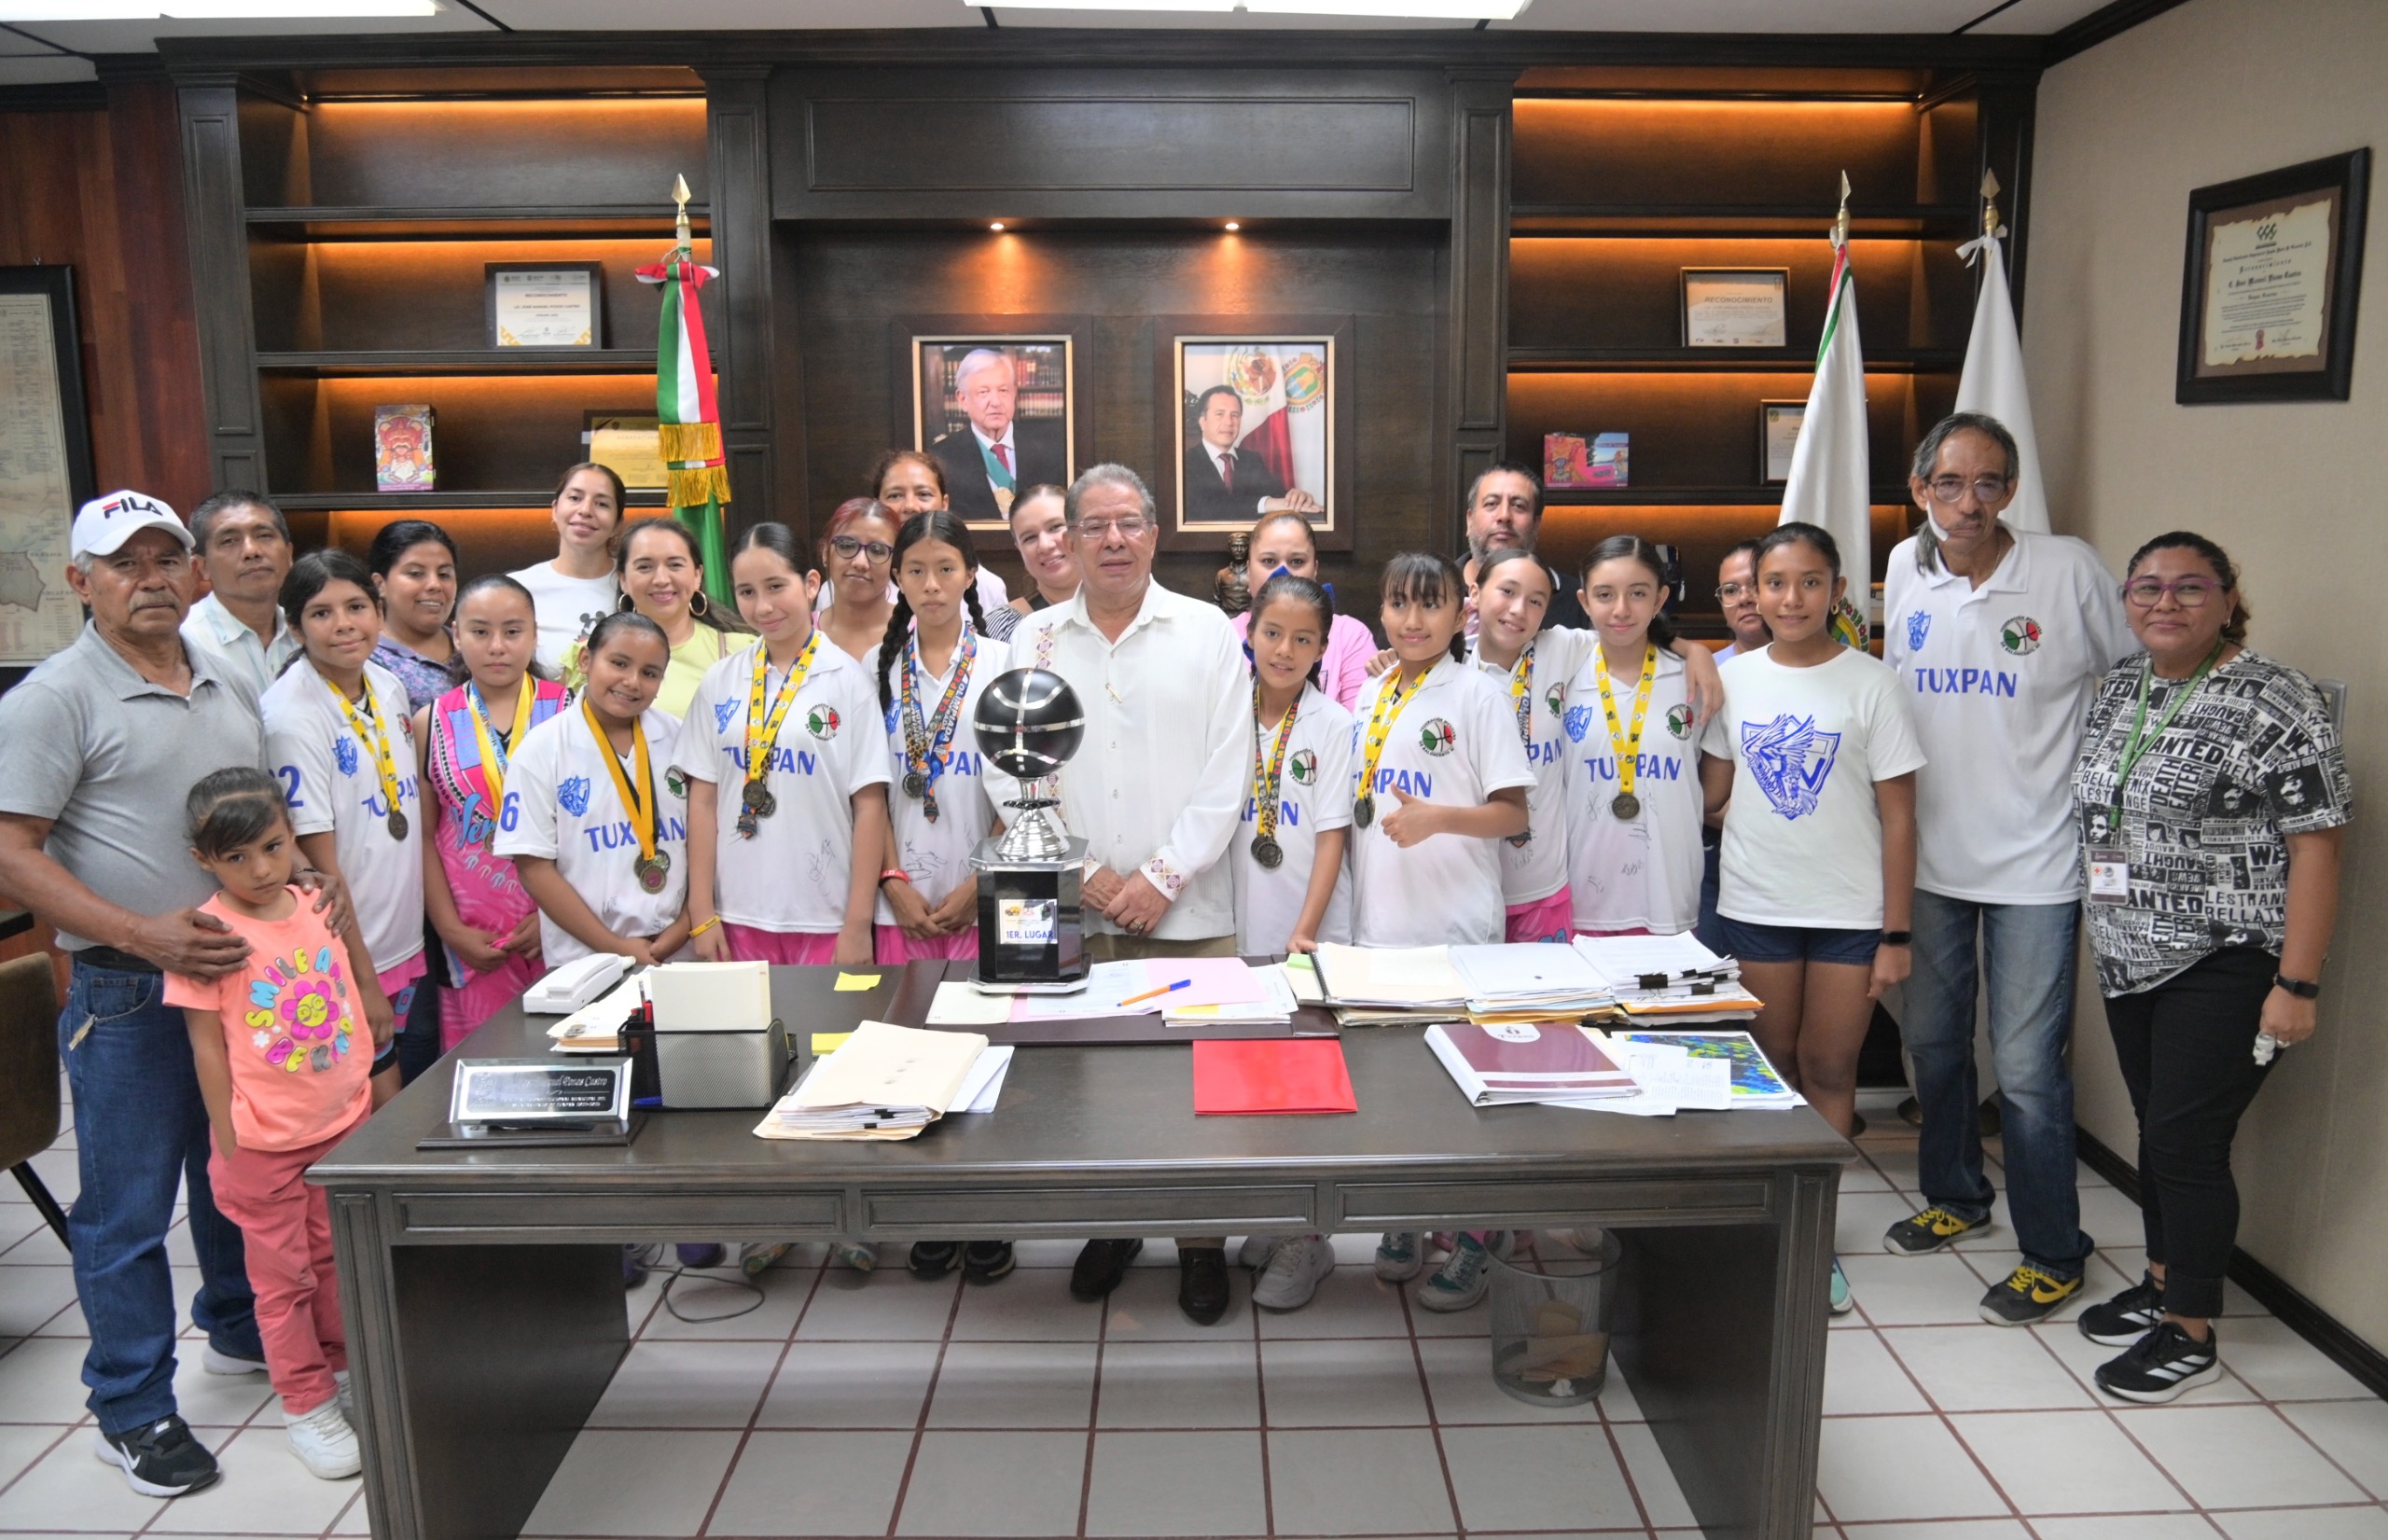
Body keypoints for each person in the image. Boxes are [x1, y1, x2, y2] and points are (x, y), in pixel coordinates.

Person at [0, 492, 298, 1496]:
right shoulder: (53, 696)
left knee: (234, 1164)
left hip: (236, 980)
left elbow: (249, 822)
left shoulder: (223, 679)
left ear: (196, 573)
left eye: (169, 558)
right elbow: (9, 850)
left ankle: (235, 1323)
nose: (153, 577)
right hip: (128, 988)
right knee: (126, 1209)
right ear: (82, 581)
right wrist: (134, 930)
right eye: (125, 563)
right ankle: (131, 1405)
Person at [2069, 533, 2348, 1402]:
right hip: (2129, 956)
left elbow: (2320, 848)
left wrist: (2295, 985)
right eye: (2147, 587)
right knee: (2158, 1129)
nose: (2166, 602)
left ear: (2229, 599)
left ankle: (2190, 1326)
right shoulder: (2123, 684)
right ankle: (2161, 1278)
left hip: (2228, 959)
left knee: (2188, 1142)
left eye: (2191, 588)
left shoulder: (2278, 698)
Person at [1877, 412, 2131, 1326]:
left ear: (2011, 492)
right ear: (1920, 492)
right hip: (1932, 861)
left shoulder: (2065, 570)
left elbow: (2138, 676)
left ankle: (2053, 1250)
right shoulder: (1905, 569)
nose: (1968, 502)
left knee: (2025, 1071)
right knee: (1936, 1047)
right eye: (1949, 484)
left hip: (2037, 865)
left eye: (1988, 483)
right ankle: (1954, 1192)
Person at [1010, 465, 1248, 1325]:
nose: (1113, 540)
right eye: (1095, 525)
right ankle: (1110, 1225)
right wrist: (1088, 874)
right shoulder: (1031, 641)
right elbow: (1012, 767)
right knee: (1090, 1083)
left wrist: (1160, 878)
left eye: (1130, 523)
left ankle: (1199, 1245)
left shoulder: (1207, 631)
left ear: (1154, 533)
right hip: (1077, 909)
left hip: (1189, 912)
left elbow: (1231, 769)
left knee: (1196, 1086)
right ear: (1068, 539)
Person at [1699, 522, 1923, 1318]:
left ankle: (1813, 1234)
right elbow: (1711, 794)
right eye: (1774, 582)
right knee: (1768, 1068)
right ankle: (1763, 1221)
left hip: (1848, 914)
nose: (1790, 598)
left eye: (1809, 582)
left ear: (1837, 591)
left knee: (1830, 1070)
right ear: (1753, 592)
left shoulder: (1872, 684)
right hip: (1756, 903)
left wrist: (1896, 934)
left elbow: (1900, 819)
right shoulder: (1735, 682)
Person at [164, 768, 374, 1480]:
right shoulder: (207, 934)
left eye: (272, 846)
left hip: (339, 1123)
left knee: (335, 1264)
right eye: (236, 857)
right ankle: (305, 1400)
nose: (260, 869)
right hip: (263, 1144)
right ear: (204, 860)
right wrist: (229, 1141)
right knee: (283, 1281)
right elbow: (205, 1045)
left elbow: (341, 989)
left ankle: (342, 1373)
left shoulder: (317, 899)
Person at [1354, 550, 1534, 1310]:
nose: (1412, 619)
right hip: (1379, 926)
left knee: (1463, 1095)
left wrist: (1438, 820)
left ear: (1462, 612)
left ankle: (1472, 1240)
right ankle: (1404, 1218)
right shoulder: (1374, 690)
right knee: (1393, 1091)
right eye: (1398, 603)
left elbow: (1515, 814)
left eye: (1429, 604)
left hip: (1455, 925)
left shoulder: (1480, 694)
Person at [676, 523, 889, 969]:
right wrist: (701, 912)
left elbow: (869, 807)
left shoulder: (849, 681)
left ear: (811, 584)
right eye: (747, 592)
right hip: (736, 913)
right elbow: (703, 800)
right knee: (746, 1039)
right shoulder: (720, 680)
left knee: (826, 1039)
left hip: (824, 917)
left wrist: (857, 924)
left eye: (776, 586)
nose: (763, 606)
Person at [1228, 572, 1354, 1311]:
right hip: (1239, 927)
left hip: (1309, 932)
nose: (1285, 648)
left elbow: (1333, 836)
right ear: (1250, 633)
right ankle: (1280, 1220)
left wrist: (1306, 928)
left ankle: (1311, 1242)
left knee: (1308, 1088)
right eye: (1273, 632)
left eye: (1303, 638)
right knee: (1251, 1084)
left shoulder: (1332, 725)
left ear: (1322, 648)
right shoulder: (1227, 712)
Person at [260, 552, 418, 1107]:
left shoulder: (385, 683)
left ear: (378, 608)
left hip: (401, 937)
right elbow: (318, 868)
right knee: (377, 1106)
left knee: (405, 1096)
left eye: (356, 606)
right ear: (293, 627)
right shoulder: (291, 715)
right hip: (352, 953)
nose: (344, 624)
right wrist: (364, 978)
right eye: (321, 613)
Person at [417, 575, 570, 1051]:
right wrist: (449, 929)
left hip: (561, 927)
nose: (497, 646)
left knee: (567, 1063)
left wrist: (556, 921)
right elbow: (424, 835)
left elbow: (593, 832)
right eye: (480, 632)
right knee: (485, 1070)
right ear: (456, 635)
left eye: (513, 630)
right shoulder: (430, 721)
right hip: (473, 940)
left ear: (534, 633)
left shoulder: (571, 712)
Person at [495, 612, 692, 971]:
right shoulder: (542, 750)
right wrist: (614, 946)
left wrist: (685, 926)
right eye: (619, 663)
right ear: (586, 660)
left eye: (650, 673)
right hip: (585, 959)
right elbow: (534, 866)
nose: (632, 682)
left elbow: (705, 843)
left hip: (679, 951)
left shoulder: (681, 739)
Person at [874, 511, 1011, 965]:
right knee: (901, 1030)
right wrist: (893, 881)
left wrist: (982, 882)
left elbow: (1025, 790)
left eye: (946, 569)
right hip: (898, 906)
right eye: (916, 570)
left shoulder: (1005, 664)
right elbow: (868, 792)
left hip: (986, 903)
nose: (931, 584)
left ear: (971, 574)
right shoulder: (874, 668)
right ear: (897, 577)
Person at [1566, 537, 1706, 937]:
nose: (1622, 610)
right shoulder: (1563, 673)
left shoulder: (1691, 678)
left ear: (1660, 599)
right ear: (1584, 600)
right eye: (1605, 595)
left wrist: (1695, 652)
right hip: (1584, 900)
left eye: (1638, 593)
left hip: (1670, 898)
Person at [1465, 549, 1594, 944]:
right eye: (1507, 591)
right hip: (1469, 892)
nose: (1519, 610)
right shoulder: (1450, 666)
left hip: (1543, 890)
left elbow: (1629, 633)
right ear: (1475, 593)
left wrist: (1693, 652)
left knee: (1543, 1004)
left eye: (1536, 601)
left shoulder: (1560, 649)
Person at [565, 517, 746, 719]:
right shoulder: (591, 653)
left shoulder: (742, 652)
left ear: (697, 575)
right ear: (623, 579)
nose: (661, 579)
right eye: (645, 567)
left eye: (675, 565)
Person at [1225, 511, 1377, 710]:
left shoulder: (1351, 636)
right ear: (1249, 569)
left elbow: (1360, 727)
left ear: (1314, 569)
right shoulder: (1223, 635)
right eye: (1269, 561)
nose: (1283, 573)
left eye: (1296, 561)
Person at [869, 448, 1011, 629]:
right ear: (877, 505)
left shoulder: (987, 586)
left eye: (923, 494)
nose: (910, 506)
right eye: (895, 495)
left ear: (944, 504)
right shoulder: (858, 579)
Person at [927, 349, 1068, 524]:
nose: (995, 402)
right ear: (962, 399)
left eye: (1003, 390)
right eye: (983, 392)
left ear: (1014, 394)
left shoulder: (1049, 449)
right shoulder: (940, 457)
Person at [181, 490, 300, 695]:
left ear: (289, 555)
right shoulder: (184, 641)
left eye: (264, 535)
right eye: (229, 541)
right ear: (202, 566)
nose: (252, 551)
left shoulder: (308, 633)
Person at [510, 463, 625, 674]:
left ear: (617, 524)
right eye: (575, 498)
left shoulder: (635, 584)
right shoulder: (515, 588)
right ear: (555, 510)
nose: (585, 510)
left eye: (602, 504)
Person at [1461, 462, 1589, 631]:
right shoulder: (1434, 591)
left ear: (1536, 525)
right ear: (1470, 521)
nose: (1504, 516)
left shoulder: (1577, 600)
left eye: (1518, 506)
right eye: (1491, 503)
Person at [1181, 384, 1321, 526]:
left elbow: (1277, 495)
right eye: (1220, 414)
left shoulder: (1252, 460)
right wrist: (1267, 504)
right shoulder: (1186, 463)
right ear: (1202, 422)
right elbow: (1205, 507)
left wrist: (1296, 498)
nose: (1229, 422)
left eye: (1235, 415)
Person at [815, 497, 901, 663]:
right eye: (847, 546)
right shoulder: (800, 634)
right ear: (825, 553)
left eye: (877, 550)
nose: (860, 562)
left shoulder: (921, 633)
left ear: (896, 562)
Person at [1000, 483, 1080, 626]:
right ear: (1019, 548)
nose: (1045, 545)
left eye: (1055, 527)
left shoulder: (1128, 612)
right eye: (1030, 538)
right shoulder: (1004, 626)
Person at [1714, 539, 1770, 661]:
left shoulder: (1815, 665)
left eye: (1755, 584)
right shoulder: (1707, 672)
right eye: (1730, 591)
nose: (1744, 598)